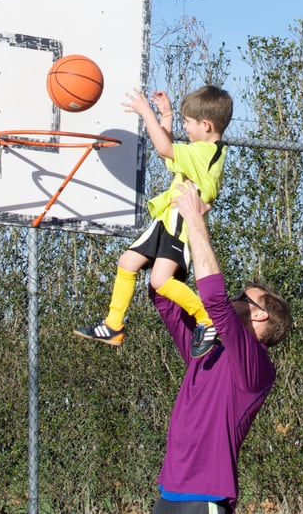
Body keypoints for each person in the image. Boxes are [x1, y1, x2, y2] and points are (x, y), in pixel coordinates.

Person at [150, 180, 293, 514]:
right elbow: (162, 296)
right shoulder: (207, 347)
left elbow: (213, 299)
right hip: (170, 490)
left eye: (245, 297)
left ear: (260, 315)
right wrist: (176, 228)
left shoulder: (256, 366)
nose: (235, 298)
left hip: (207, 495)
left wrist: (197, 220)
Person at [74, 84, 233, 356]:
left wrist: (145, 112)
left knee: (160, 281)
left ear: (205, 125)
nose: (186, 127)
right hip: (166, 219)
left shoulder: (207, 152)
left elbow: (164, 149)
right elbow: (170, 151)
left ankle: (206, 318)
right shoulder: (201, 151)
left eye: (188, 122)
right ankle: (114, 324)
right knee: (127, 262)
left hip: (181, 223)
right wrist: (167, 116)